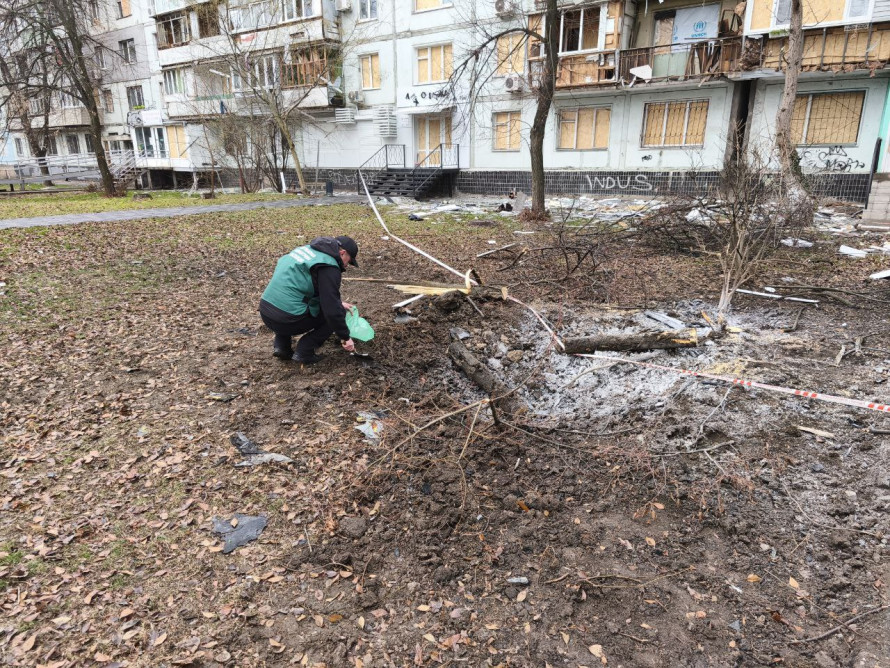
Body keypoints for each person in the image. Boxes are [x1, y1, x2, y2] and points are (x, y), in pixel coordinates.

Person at [259, 235, 359, 364]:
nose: (346, 266)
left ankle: (282, 347)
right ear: (342, 253)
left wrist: (336, 301)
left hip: (266, 312)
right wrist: (345, 337)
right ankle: (304, 351)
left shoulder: (306, 250)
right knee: (336, 314)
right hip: (287, 320)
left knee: (288, 301)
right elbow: (332, 311)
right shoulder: (328, 266)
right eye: (349, 261)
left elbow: (297, 286)